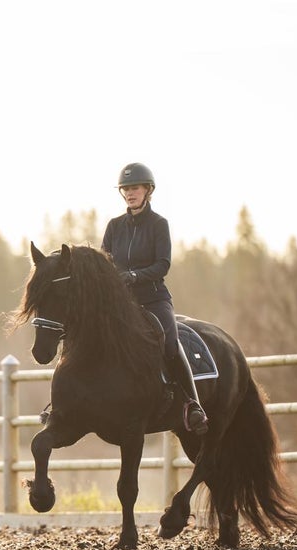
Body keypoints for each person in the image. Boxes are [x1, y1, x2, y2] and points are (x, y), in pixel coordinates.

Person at [102, 162, 209, 435]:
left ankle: (192, 403)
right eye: (125, 189)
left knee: (171, 344)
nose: (129, 193)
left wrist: (135, 276)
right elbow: (104, 263)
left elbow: (163, 264)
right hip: (122, 304)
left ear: (148, 190)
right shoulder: (114, 227)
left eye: (135, 188)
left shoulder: (159, 224)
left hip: (153, 299)